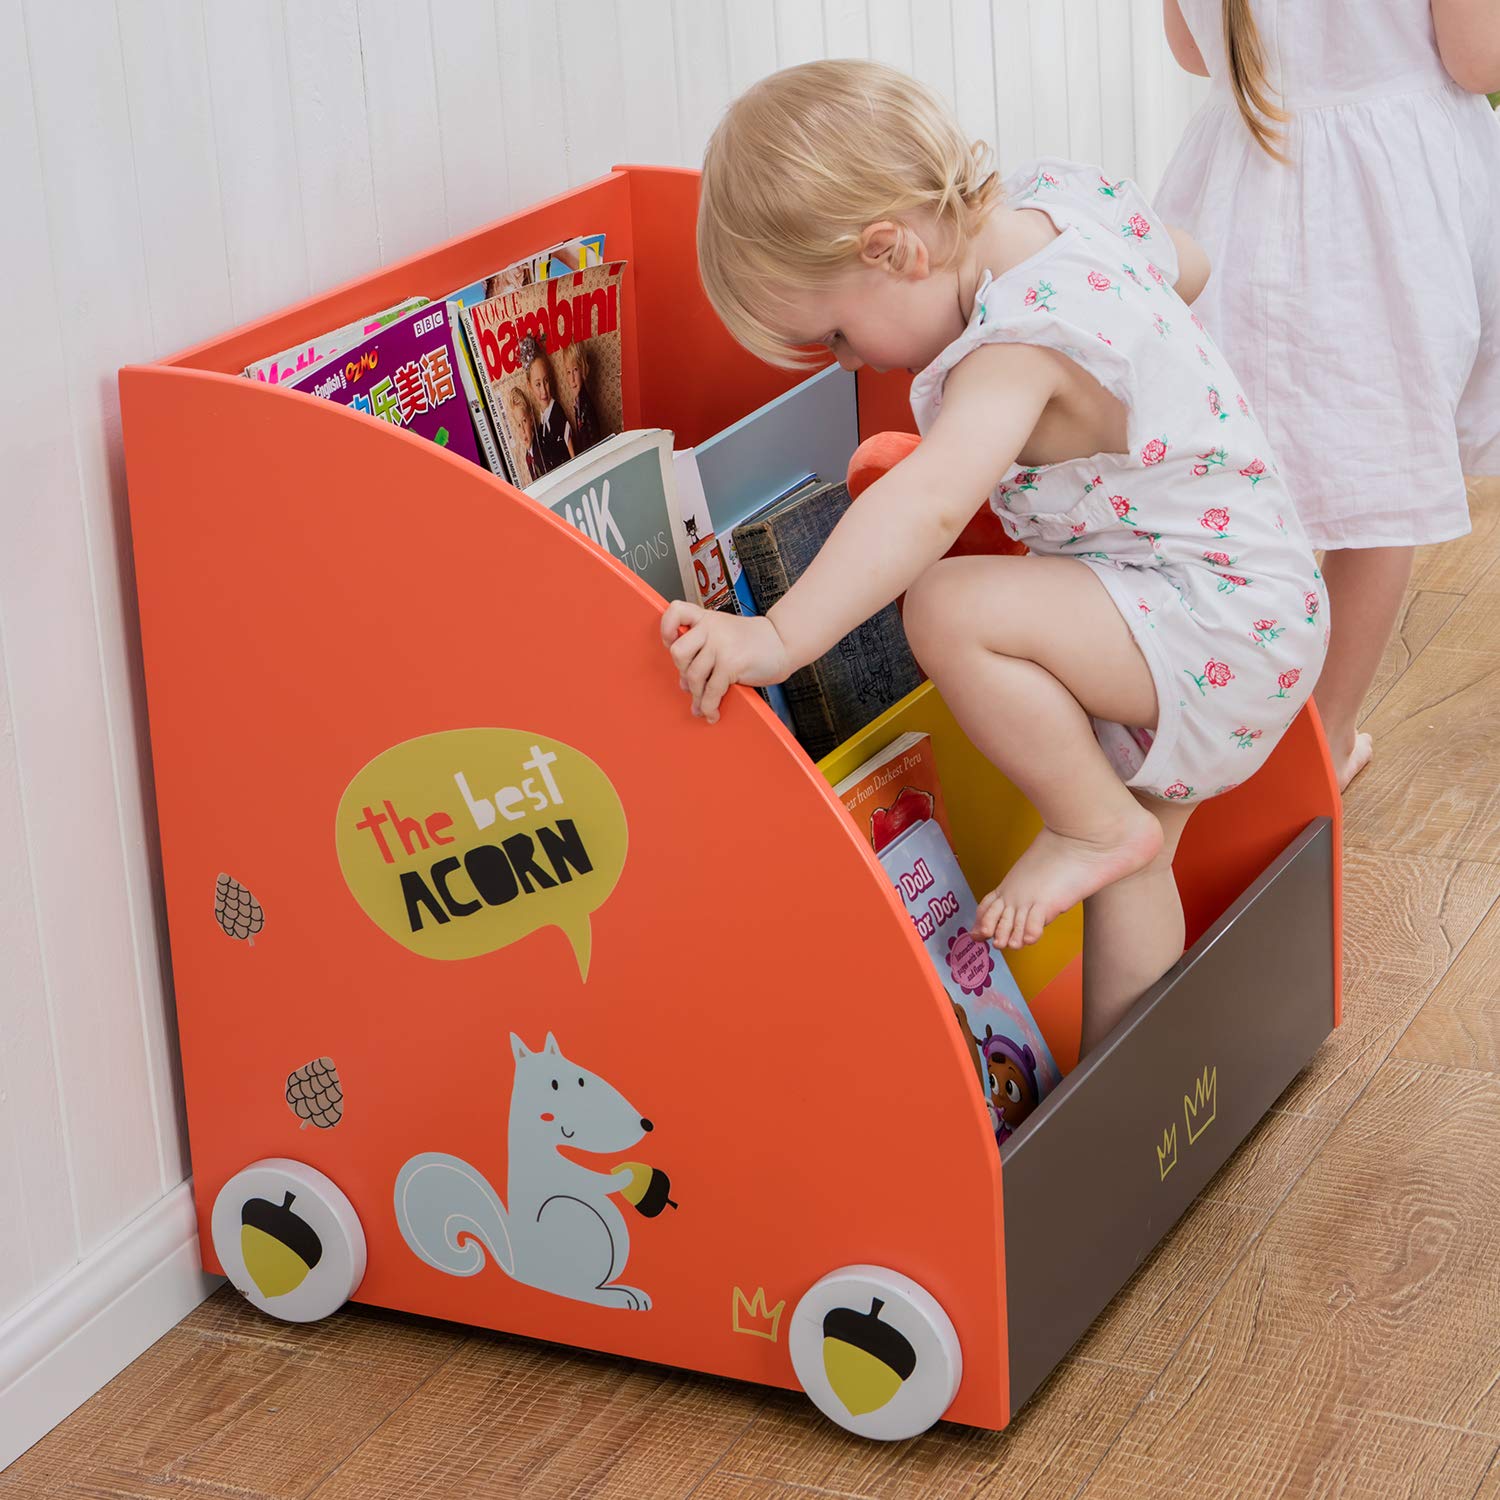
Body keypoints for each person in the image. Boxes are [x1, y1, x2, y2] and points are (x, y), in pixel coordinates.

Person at [663, 59, 1327, 1055]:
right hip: (1263, 601)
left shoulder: (1012, 348)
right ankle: (1128, 1115)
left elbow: (929, 503)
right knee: (1140, 865)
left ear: (891, 249)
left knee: (947, 605)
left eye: (836, 334)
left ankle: (1090, 824)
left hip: (1205, 619)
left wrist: (777, 636)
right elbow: (1185, 262)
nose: (853, 362)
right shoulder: (1062, 204)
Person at [1156, 0, 1500, 788]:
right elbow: (1477, 60)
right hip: (1384, 197)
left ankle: (1223, 718)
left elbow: (1192, 50)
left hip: (1236, 177)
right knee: (1375, 473)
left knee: (1234, 459)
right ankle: (1329, 736)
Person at [520, 336, 575, 472]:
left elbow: (571, 449)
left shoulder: (557, 412)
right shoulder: (541, 424)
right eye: (538, 384)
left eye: (546, 381)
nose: (544, 390)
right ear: (530, 386)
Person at [560, 341, 604, 454]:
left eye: (575, 370)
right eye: (568, 372)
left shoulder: (586, 406)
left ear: (583, 369)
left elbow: (594, 442)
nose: (572, 379)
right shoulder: (579, 403)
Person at [505, 385, 544, 483]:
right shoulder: (528, 457)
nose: (522, 430)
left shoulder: (542, 446)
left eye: (524, 421)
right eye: (518, 425)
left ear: (531, 419)